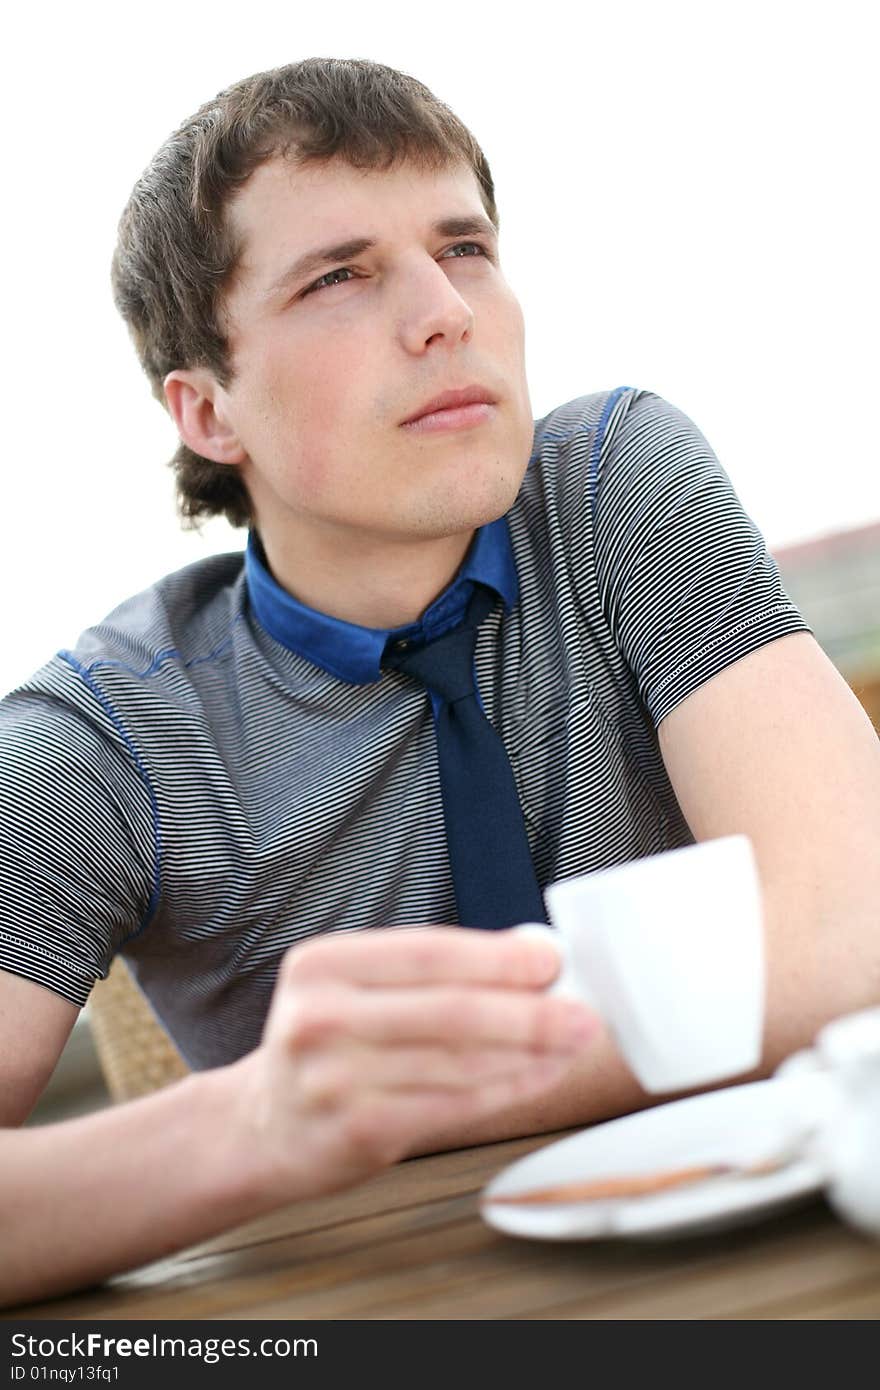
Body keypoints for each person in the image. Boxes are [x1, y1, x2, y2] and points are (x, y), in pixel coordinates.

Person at [1, 57, 878, 1310]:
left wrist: (422, 1092)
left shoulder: (613, 486)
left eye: (464, 247)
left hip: (784, 1262)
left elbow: (851, 940)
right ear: (207, 411)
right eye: (340, 275)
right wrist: (260, 1120)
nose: (443, 310)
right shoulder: (100, 737)